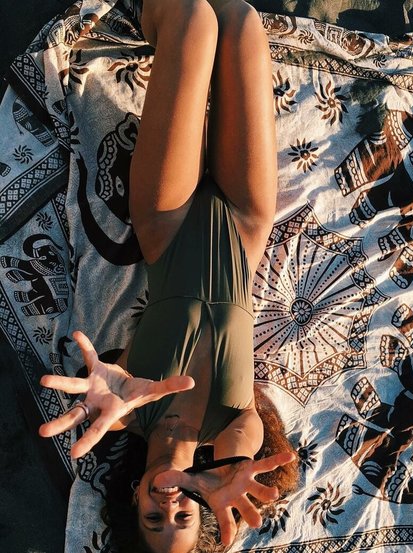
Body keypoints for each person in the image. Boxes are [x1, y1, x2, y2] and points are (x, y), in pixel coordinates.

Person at [39, 0, 298, 551]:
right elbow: (246, 441)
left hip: (167, 225)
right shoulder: (230, 431)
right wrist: (230, 471)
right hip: (244, 230)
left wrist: (115, 387)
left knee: (193, 22)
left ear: (134, 497)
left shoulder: (129, 414)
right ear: (203, 508)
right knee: (241, 21)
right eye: (183, 519)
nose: (168, 506)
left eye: (152, 520)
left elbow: (113, 395)